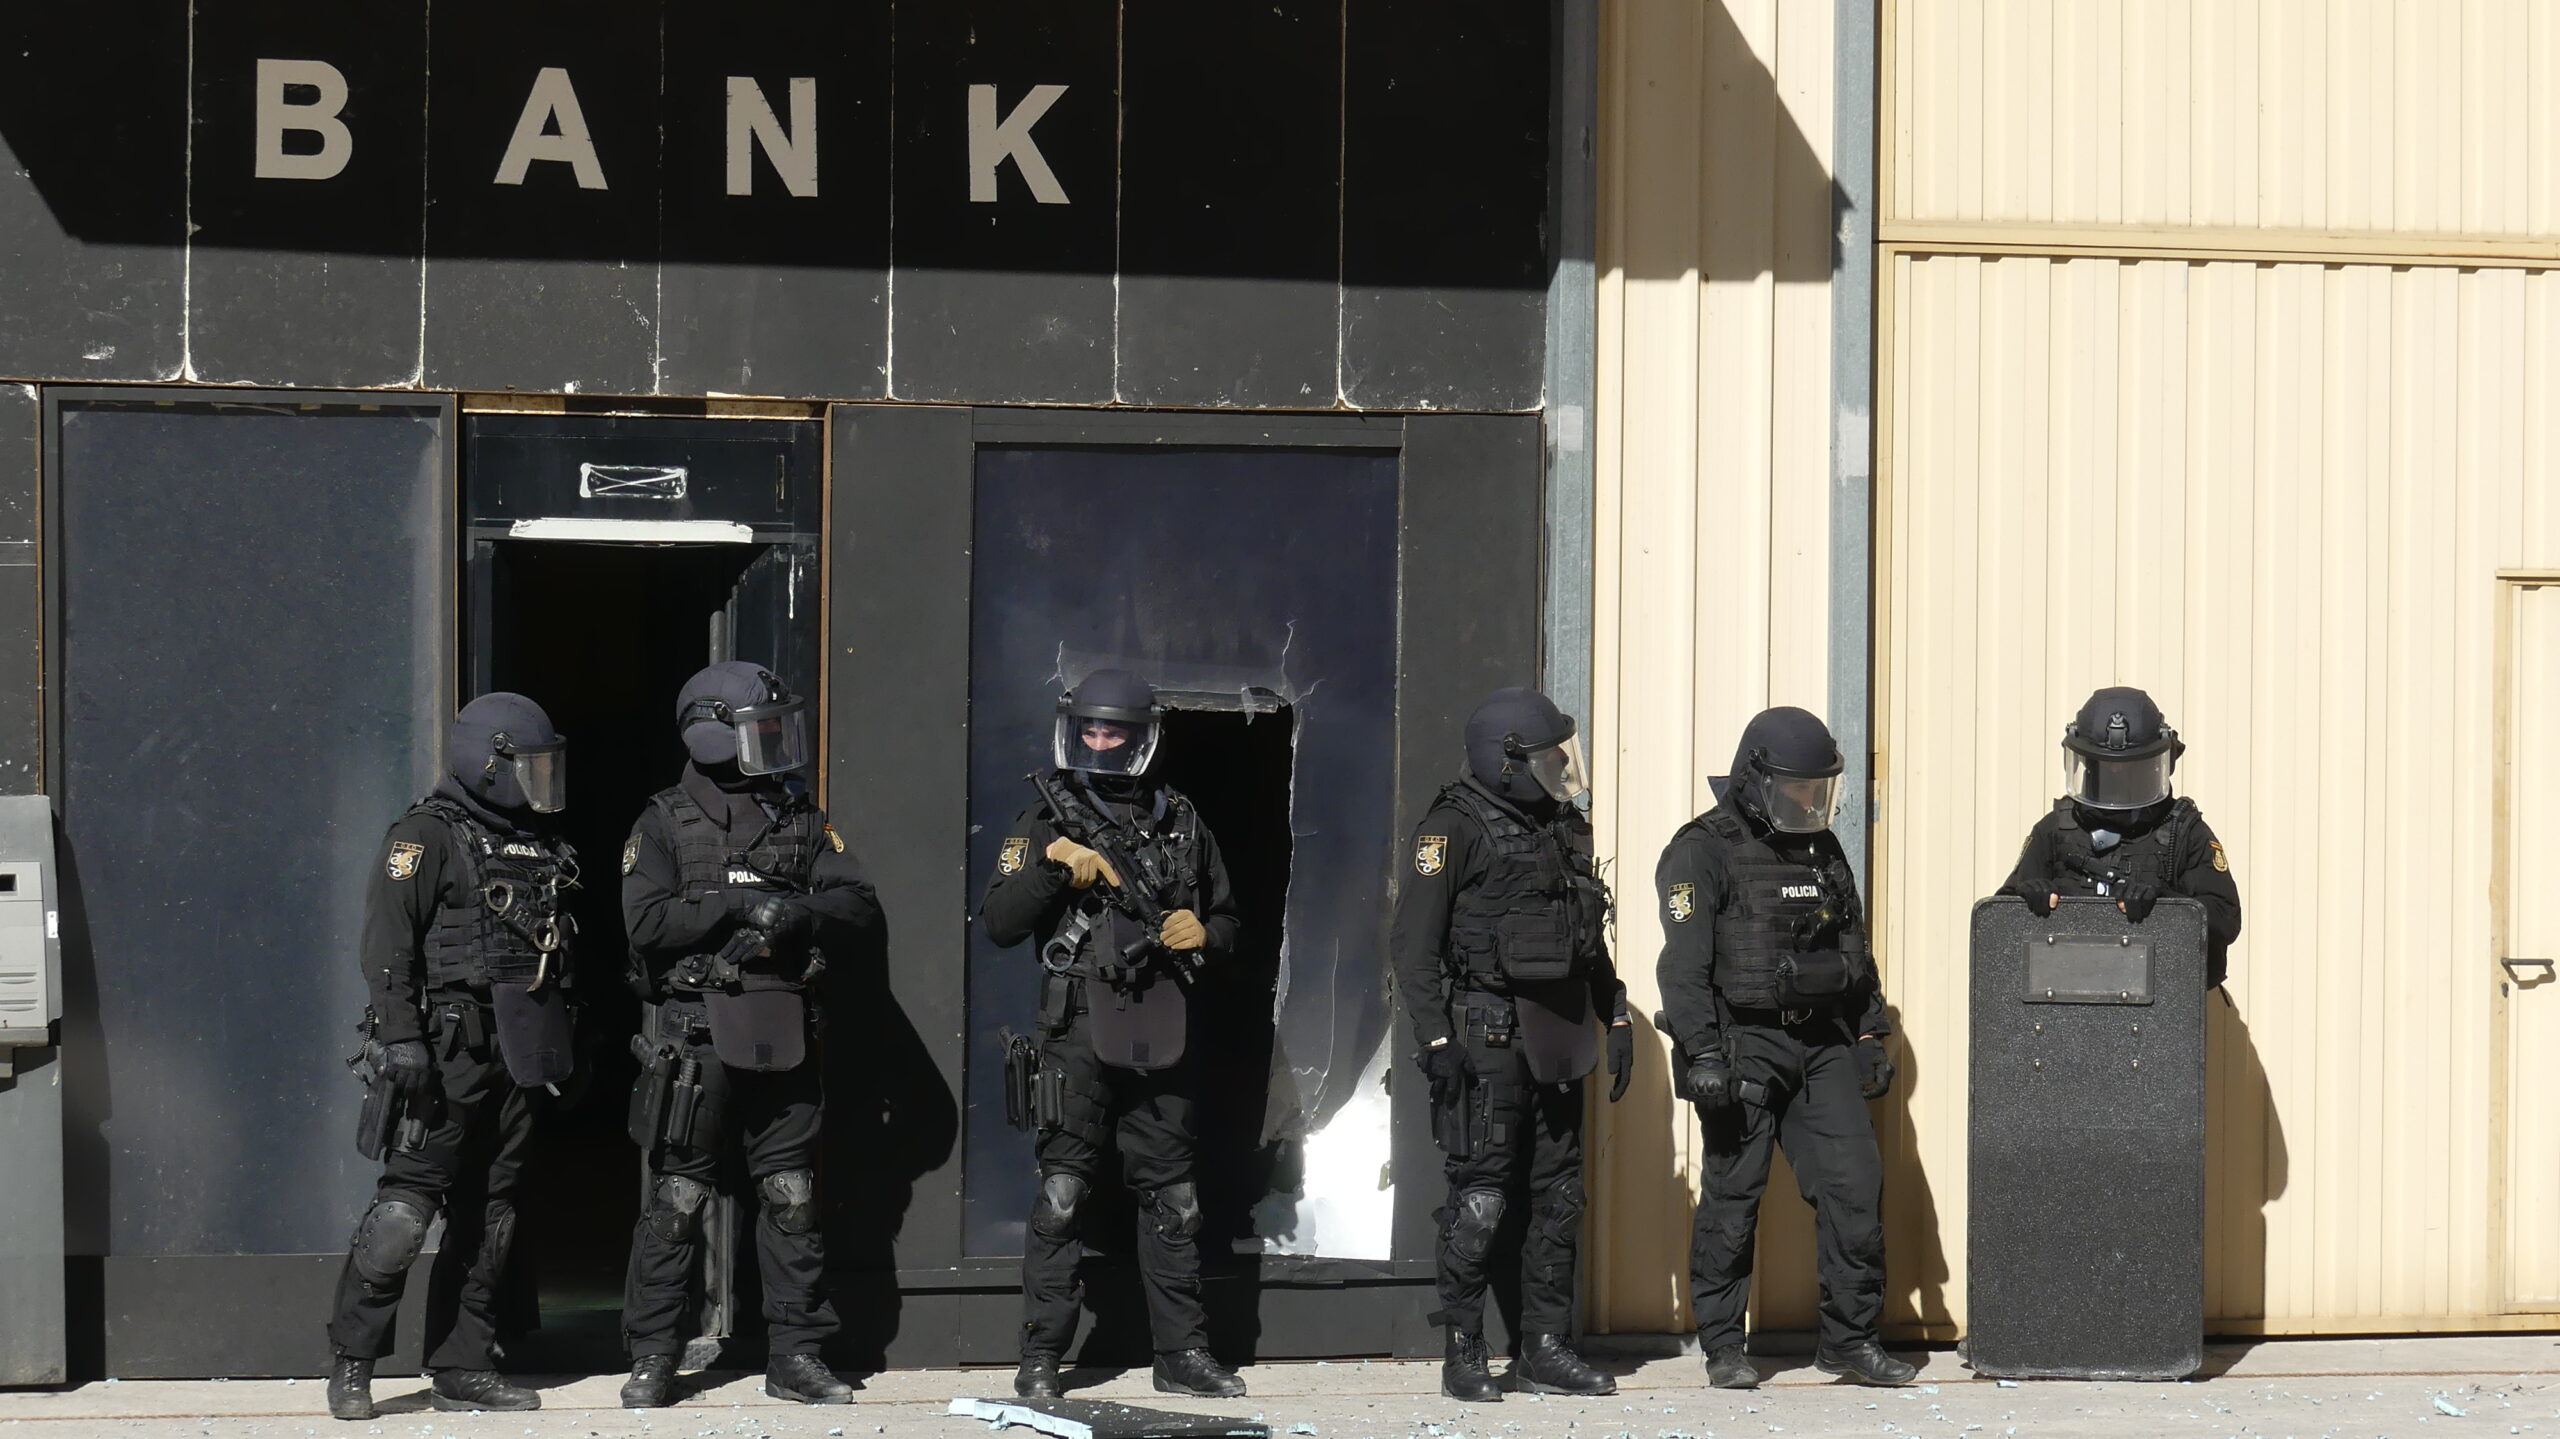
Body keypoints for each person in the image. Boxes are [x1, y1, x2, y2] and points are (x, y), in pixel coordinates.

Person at [979, 669, 1248, 1401]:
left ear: (1141, 737)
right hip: (1075, 1025)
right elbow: (998, 921)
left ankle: (1182, 1353)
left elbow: (1229, 918)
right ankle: (1041, 1355)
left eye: (1115, 731)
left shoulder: (1181, 819)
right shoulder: (1045, 815)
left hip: (1162, 1019)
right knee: (1063, 1193)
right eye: (1090, 729)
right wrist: (1053, 871)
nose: (1100, 741)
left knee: (1175, 1197)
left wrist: (1207, 933)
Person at [616, 662, 879, 1409]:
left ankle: (796, 1354)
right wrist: (735, 905)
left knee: (792, 1196)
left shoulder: (799, 814)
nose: (775, 741)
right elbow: (645, 921)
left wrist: (798, 914)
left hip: (783, 1027)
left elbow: (858, 902)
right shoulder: (662, 820)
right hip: (696, 1034)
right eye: (760, 728)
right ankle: (654, 1355)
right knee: (677, 1200)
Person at [326, 694, 578, 1421]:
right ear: (488, 760)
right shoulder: (424, 834)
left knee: (492, 1215)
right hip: (445, 1050)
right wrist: (402, 1036)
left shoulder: (539, 844)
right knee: (403, 1214)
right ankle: (352, 1364)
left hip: (519, 1050)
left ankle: (463, 1366)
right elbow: (387, 943)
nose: (536, 779)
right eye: (525, 764)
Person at [1655, 706, 1914, 1391]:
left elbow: (1854, 949)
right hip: (1742, 1041)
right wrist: (1703, 1052)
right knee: (1733, 1197)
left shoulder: (1822, 848)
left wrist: (1869, 1032)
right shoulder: (1701, 849)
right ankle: (1723, 1347)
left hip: (1822, 1041)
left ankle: (1851, 1340)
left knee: (1854, 1185)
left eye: (1817, 788)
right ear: (1755, 780)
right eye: (1796, 787)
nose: (1808, 800)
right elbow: (1682, 968)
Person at [1390, 687, 1632, 1403]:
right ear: (1506, 760)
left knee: (1560, 1198)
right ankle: (1463, 1354)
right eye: (1548, 756)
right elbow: (1413, 947)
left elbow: (1587, 937)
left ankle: (1544, 1350)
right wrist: (1437, 1037)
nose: (1562, 768)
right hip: (1486, 1035)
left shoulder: (1563, 828)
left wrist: (1615, 1013)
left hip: (1558, 1035)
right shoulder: (1451, 828)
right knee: (1481, 1201)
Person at [1999, 687, 2243, 986]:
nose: (2116, 780)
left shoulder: (2183, 832)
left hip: (2162, 1001)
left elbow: (2225, 919)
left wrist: (2169, 906)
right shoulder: (2055, 830)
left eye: (2130, 771)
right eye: (2105, 769)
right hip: (2061, 1000)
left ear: (2160, 765)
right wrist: (2026, 903)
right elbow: (1998, 927)